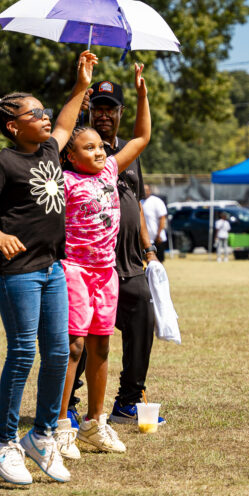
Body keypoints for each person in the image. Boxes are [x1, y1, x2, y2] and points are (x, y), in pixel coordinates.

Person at [0, 50, 96, 486]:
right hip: (16, 271)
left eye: (44, 110)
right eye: (34, 113)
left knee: (58, 354)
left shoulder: (49, 150)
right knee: (22, 353)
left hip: (51, 267)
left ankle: (41, 436)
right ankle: (4, 444)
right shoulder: (3, 162)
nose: (45, 117)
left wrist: (80, 85)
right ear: (12, 125)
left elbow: (65, 122)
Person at [55, 62, 150, 460]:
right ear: (70, 156)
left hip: (106, 273)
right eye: (87, 147)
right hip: (74, 270)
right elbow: (58, 136)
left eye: (99, 146)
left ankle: (96, 423)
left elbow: (142, 136)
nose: (98, 151)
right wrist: (81, 87)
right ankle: (59, 426)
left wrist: (142, 94)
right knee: (72, 348)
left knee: (101, 346)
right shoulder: (64, 179)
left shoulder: (111, 168)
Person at [67, 78, 165, 431]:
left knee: (142, 324)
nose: (104, 114)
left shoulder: (124, 154)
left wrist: (149, 248)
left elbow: (136, 202)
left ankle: (128, 400)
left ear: (120, 112)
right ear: (89, 111)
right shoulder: (77, 155)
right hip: (87, 262)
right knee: (80, 334)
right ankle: (70, 406)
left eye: (110, 108)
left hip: (127, 260)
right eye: (99, 108)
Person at [141, 185, 168, 250]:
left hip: (157, 239)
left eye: (146, 190)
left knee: (158, 259)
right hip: (145, 239)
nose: (144, 192)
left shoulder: (156, 201)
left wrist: (158, 235)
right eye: (143, 190)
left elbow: (162, 218)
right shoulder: (140, 202)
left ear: (149, 191)